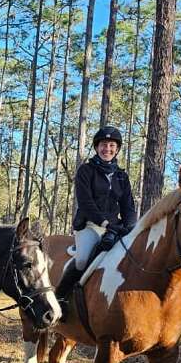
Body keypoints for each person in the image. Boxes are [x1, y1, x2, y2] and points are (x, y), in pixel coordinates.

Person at [55, 126, 137, 312]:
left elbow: (128, 206)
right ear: (96, 147)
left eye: (111, 145)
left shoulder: (122, 176)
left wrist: (130, 227)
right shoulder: (85, 171)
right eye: (103, 145)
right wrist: (105, 223)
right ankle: (61, 299)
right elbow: (85, 203)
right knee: (83, 260)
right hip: (90, 225)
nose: (107, 149)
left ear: (117, 149)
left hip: (115, 228)